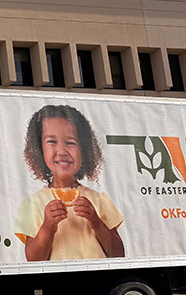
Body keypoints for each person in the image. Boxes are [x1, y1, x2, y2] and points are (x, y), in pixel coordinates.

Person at [15, 105, 125, 261]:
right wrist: (48, 226)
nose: (61, 151)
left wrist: (95, 220)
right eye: (52, 141)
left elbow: (118, 254)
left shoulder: (99, 200)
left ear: (84, 150)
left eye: (71, 143)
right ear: (39, 149)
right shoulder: (32, 204)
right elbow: (34, 259)